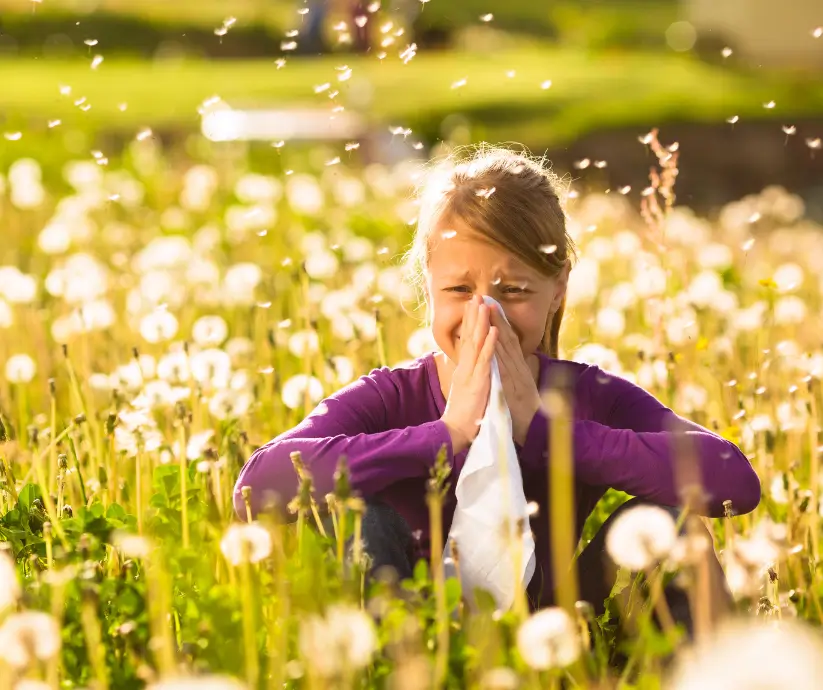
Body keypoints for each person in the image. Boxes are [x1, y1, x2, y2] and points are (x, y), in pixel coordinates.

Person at [233, 146, 761, 627]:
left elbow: (733, 479)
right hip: (409, 625)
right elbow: (257, 487)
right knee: (360, 521)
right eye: (460, 289)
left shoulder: (586, 395)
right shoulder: (393, 396)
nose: (485, 314)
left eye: (513, 290)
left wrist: (550, 433)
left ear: (557, 291)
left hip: (556, 624)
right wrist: (446, 434)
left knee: (671, 524)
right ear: (428, 285)